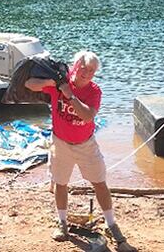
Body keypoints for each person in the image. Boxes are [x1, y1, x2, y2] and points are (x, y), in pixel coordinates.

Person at [24, 51, 136, 251]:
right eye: (84, 67)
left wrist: (70, 96)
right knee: (61, 183)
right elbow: (29, 84)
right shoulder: (61, 83)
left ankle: (112, 224)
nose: (86, 73)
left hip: (86, 144)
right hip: (60, 142)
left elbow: (87, 116)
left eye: (91, 70)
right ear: (75, 65)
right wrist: (52, 81)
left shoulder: (94, 91)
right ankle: (62, 222)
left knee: (100, 183)